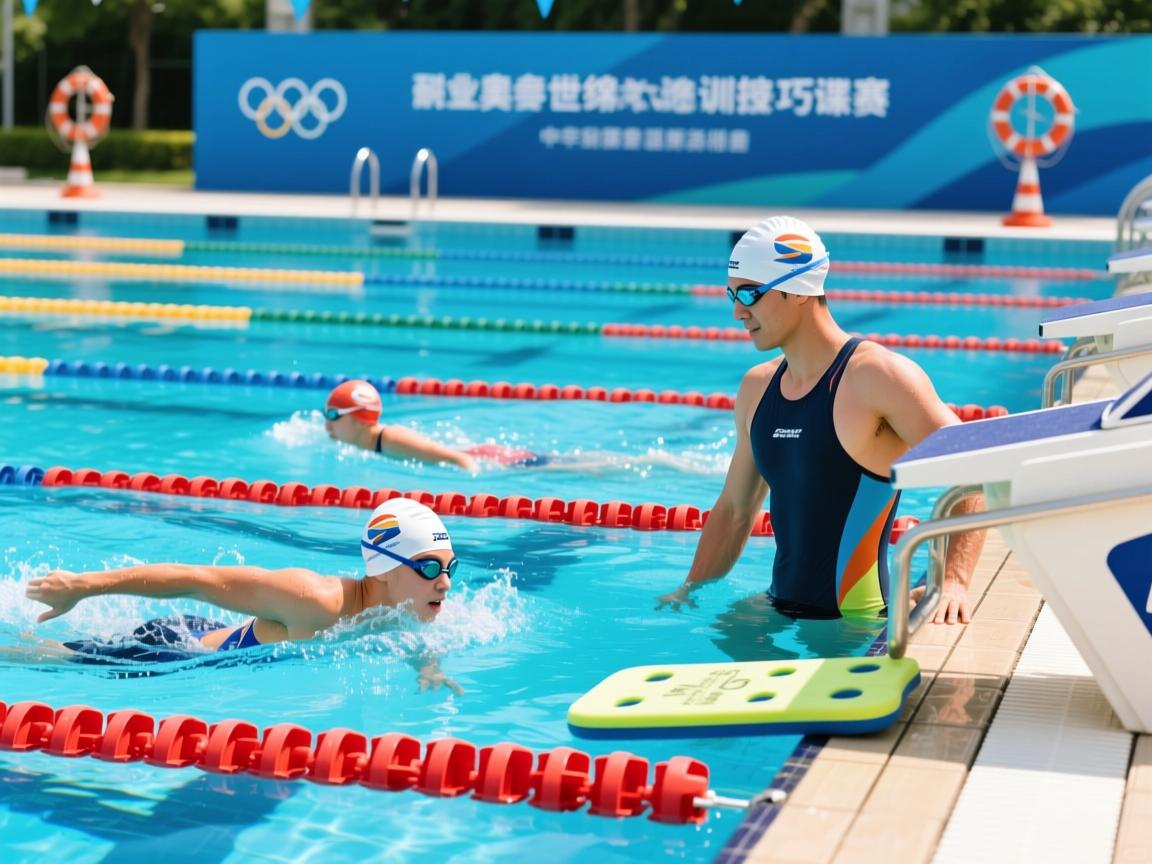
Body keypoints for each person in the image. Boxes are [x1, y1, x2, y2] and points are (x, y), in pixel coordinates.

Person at [658, 216, 984, 625]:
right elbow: (735, 510)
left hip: (856, 628)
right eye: (732, 295)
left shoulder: (876, 377)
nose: (738, 312)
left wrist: (952, 580)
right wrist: (690, 590)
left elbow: (974, 466)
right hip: (778, 608)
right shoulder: (757, 388)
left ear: (798, 290)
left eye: (750, 294)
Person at [25, 498, 464, 690]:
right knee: (43, 655)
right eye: (429, 567)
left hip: (213, 637)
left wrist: (426, 665)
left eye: (449, 568)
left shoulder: (406, 604)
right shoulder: (314, 599)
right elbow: (194, 578)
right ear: (386, 569)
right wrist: (82, 587)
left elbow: (402, 632)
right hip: (170, 652)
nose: (444, 582)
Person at [324, 380, 480, 472]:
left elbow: (460, 458)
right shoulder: (367, 442)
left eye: (332, 415)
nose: (327, 424)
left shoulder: (391, 439)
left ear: (358, 418)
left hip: (485, 456)